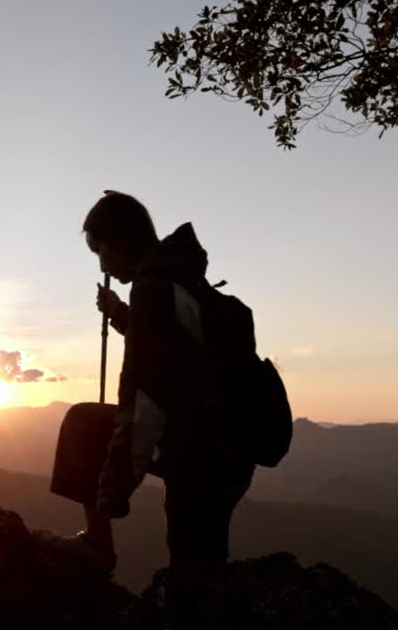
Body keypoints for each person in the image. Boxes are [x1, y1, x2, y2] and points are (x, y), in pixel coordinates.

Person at [38, 191, 254, 573]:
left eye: (97, 249)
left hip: (204, 449)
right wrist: (121, 313)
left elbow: (143, 403)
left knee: (83, 425)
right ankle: (102, 548)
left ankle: (97, 548)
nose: (101, 262)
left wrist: (114, 489)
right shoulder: (178, 276)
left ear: (118, 240)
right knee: (199, 561)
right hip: (224, 442)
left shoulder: (154, 287)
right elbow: (167, 349)